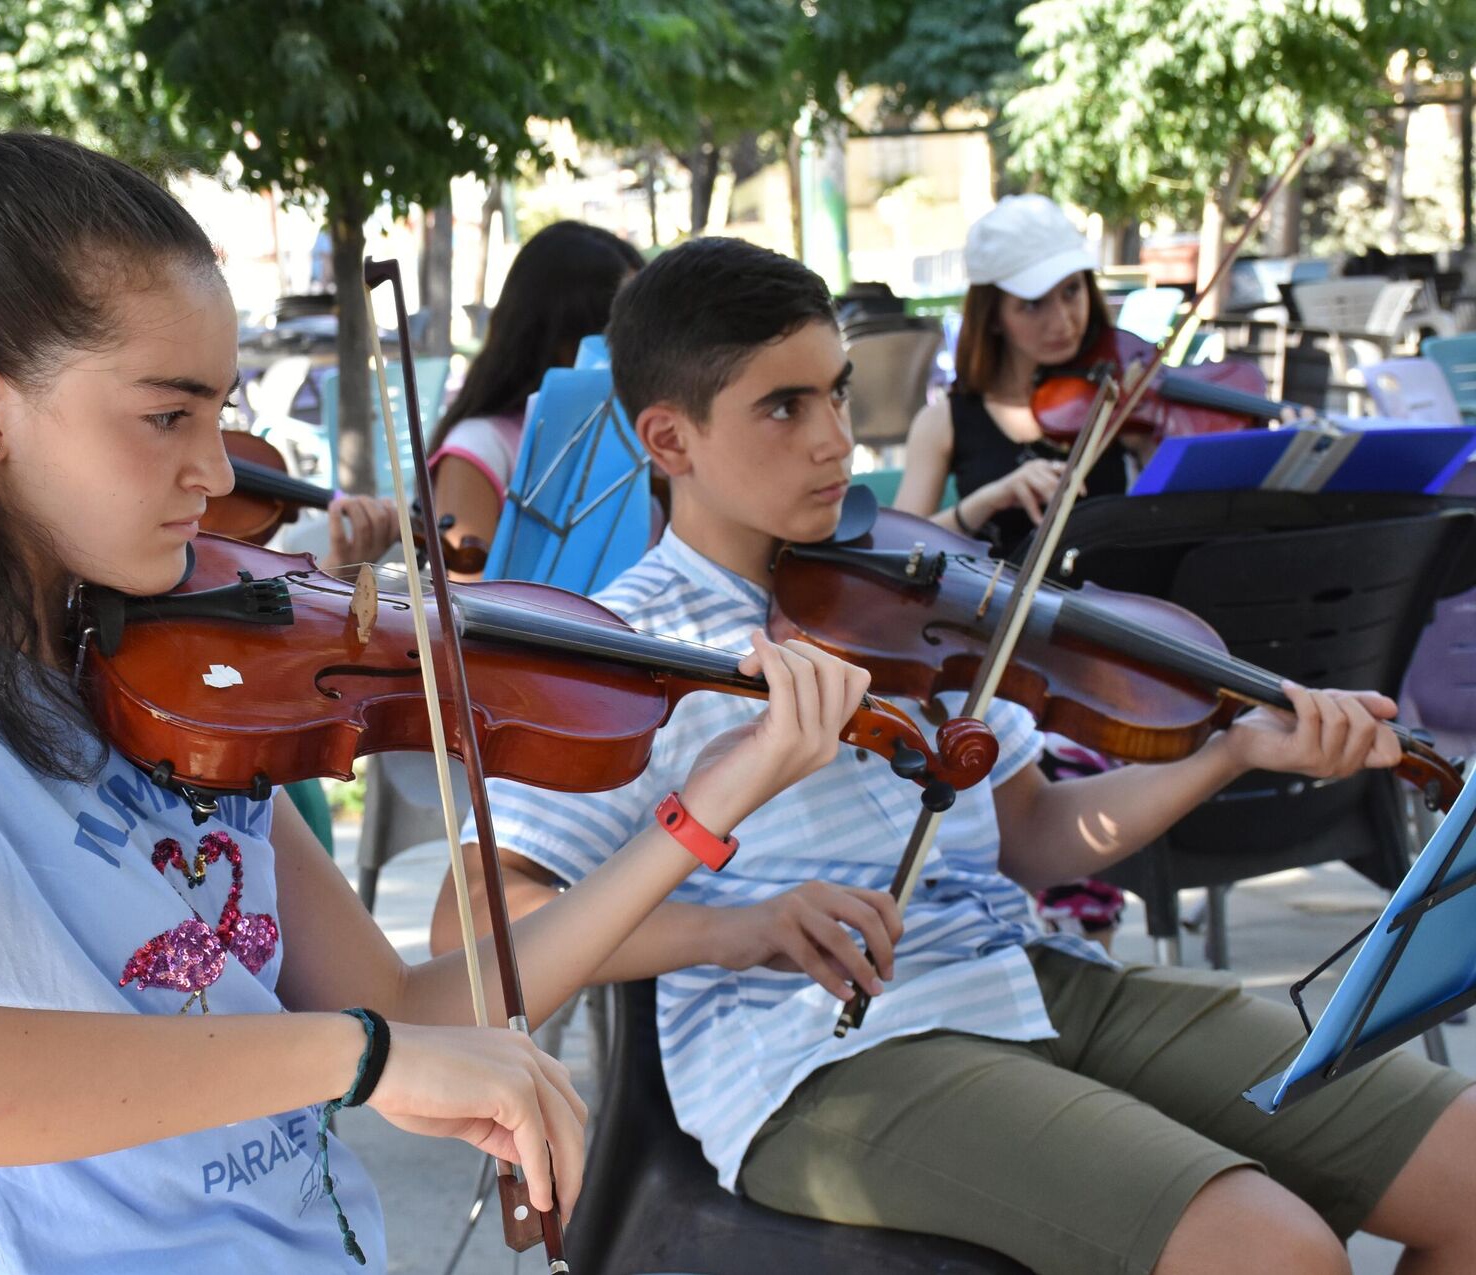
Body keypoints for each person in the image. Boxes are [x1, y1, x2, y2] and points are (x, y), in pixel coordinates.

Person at [0, 101, 878, 1273]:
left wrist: (703, 812)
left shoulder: (166, 676)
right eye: (167, 415)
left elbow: (412, 1007)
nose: (213, 470)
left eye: (219, 412)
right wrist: (354, 1057)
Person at [431, 236, 1476, 1275]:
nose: (836, 440)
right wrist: (738, 927)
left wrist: (1229, 753)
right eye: (784, 407)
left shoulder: (908, 588)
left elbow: (1038, 833)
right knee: (1273, 1252)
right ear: (670, 438)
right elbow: (474, 929)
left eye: (838, 393)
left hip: (1029, 973)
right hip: (826, 1051)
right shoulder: (622, 646)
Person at [894, 194, 1135, 561]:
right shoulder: (941, 423)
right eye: (1033, 304)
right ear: (993, 317)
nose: (1062, 321)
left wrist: (1150, 451)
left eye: (1072, 290)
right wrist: (987, 501)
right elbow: (897, 550)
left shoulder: (1119, 395)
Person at [427, 221, 642, 575]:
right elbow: (465, 597)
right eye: (623, 328)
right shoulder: (479, 446)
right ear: (564, 332)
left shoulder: (631, 431)